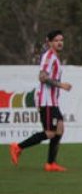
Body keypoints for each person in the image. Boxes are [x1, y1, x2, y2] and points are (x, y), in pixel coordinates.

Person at [10, 30, 72, 171]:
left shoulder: (55, 57)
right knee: (50, 132)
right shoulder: (49, 57)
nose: (60, 42)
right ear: (49, 42)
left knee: (60, 129)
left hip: (53, 102)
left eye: (61, 40)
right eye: (56, 40)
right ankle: (18, 147)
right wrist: (61, 85)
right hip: (46, 101)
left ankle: (50, 163)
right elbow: (42, 77)